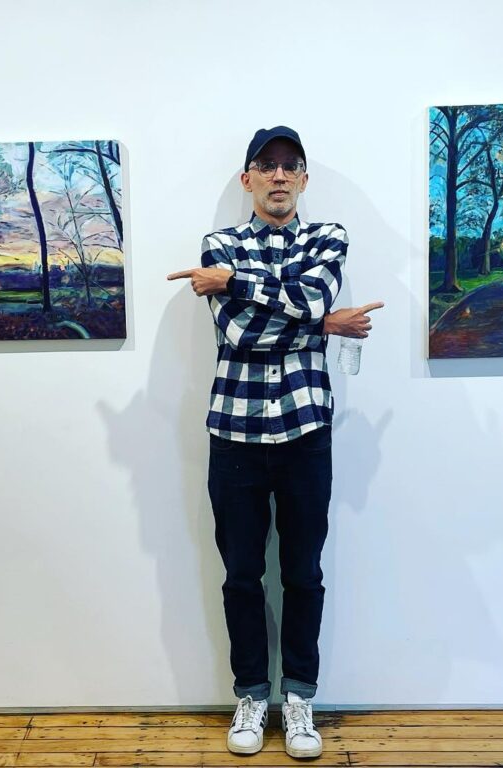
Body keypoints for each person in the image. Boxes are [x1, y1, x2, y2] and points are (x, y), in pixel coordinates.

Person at [168, 126, 383, 758]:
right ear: (249, 179)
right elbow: (241, 334)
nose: (280, 175)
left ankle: (299, 698)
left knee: (303, 574)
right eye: (267, 165)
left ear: (304, 178)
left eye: (291, 165)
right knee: (241, 575)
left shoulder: (327, 237)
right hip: (234, 432)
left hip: (305, 431)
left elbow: (311, 294)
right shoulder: (220, 243)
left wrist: (235, 283)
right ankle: (251, 694)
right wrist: (323, 325)